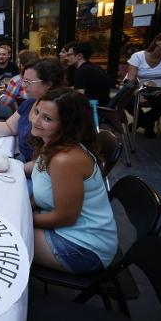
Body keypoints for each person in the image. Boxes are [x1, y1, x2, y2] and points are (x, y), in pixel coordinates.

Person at [30, 89, 117, 274]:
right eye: (37, 112)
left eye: (47, 118)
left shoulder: (65, 160)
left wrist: (21, 218)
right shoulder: (54, 144)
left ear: (67, 126)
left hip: (83, 248)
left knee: (6, 238)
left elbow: (66, 217)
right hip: (72, 232)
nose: (35, 121)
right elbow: (37, 169)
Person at [0, 58, 64, 166]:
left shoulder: (61, 110)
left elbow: (50, 161)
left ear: (48, 84)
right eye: (23, 80)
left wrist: (18, 169)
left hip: (41, 170)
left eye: (28, 82)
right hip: (26, 161)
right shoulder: (31, 102)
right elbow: (9, 127)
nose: (23, 85)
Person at [126, 31, 161, 138]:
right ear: (157, 41)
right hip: (139, 89)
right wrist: (138, 93)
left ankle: (138, 123)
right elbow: (131, 81)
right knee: (128, 102)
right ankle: (148, 125)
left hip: (158, 92)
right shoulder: (138, 56)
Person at [66, 42, 111, 107]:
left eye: (69, 55)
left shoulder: (81, 71)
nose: (67, 58)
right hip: (104, 108)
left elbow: (79, 96)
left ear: (79, 56)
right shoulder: (94, 67)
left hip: (93, 109)